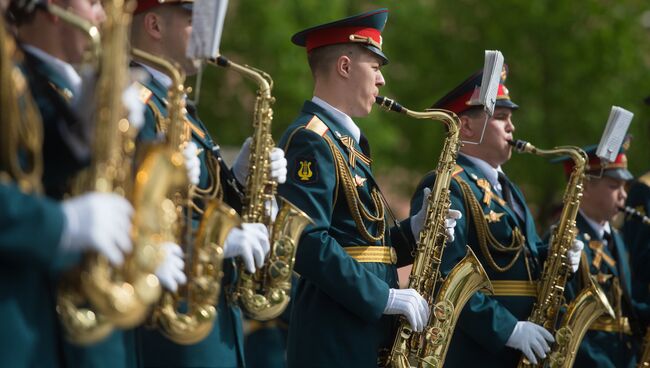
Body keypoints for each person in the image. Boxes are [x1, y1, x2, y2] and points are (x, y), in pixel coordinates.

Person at [277, 8, 459, 367]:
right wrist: (383, 297)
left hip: (360, 331)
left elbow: (362, 244)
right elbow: (307, 241)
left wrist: (413, 232)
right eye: (375, 67)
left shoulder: (348, 143)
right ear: (345, 66)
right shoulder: (312, 139)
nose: (381, 82)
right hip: (334, 335)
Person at [130, 0, 286, 366]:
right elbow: (139, 209)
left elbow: (199, 198)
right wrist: (216, 240)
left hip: (210, 309)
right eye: (192, 20)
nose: (206, 35)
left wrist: (244, 178)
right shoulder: (139, 103)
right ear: (154, 25)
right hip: (171, 309)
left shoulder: (175, 105)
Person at [408, 67, 583, 366]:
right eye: (501, 117)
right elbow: (445, 278)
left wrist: (557, 254)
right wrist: (509, 329)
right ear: (465, 126)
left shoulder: (507, 188)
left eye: (510, 117)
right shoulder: (449, 183)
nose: (512, 127)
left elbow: (521, 257)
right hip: (477, 350)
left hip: (520, 347)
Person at [560, 145, 644, 367]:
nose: (624, 194)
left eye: (624, 186)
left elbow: (625, 305)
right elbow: (563, 316)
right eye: (614, 186)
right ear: (585, 185)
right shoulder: (568, 238)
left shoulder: (616, 238)